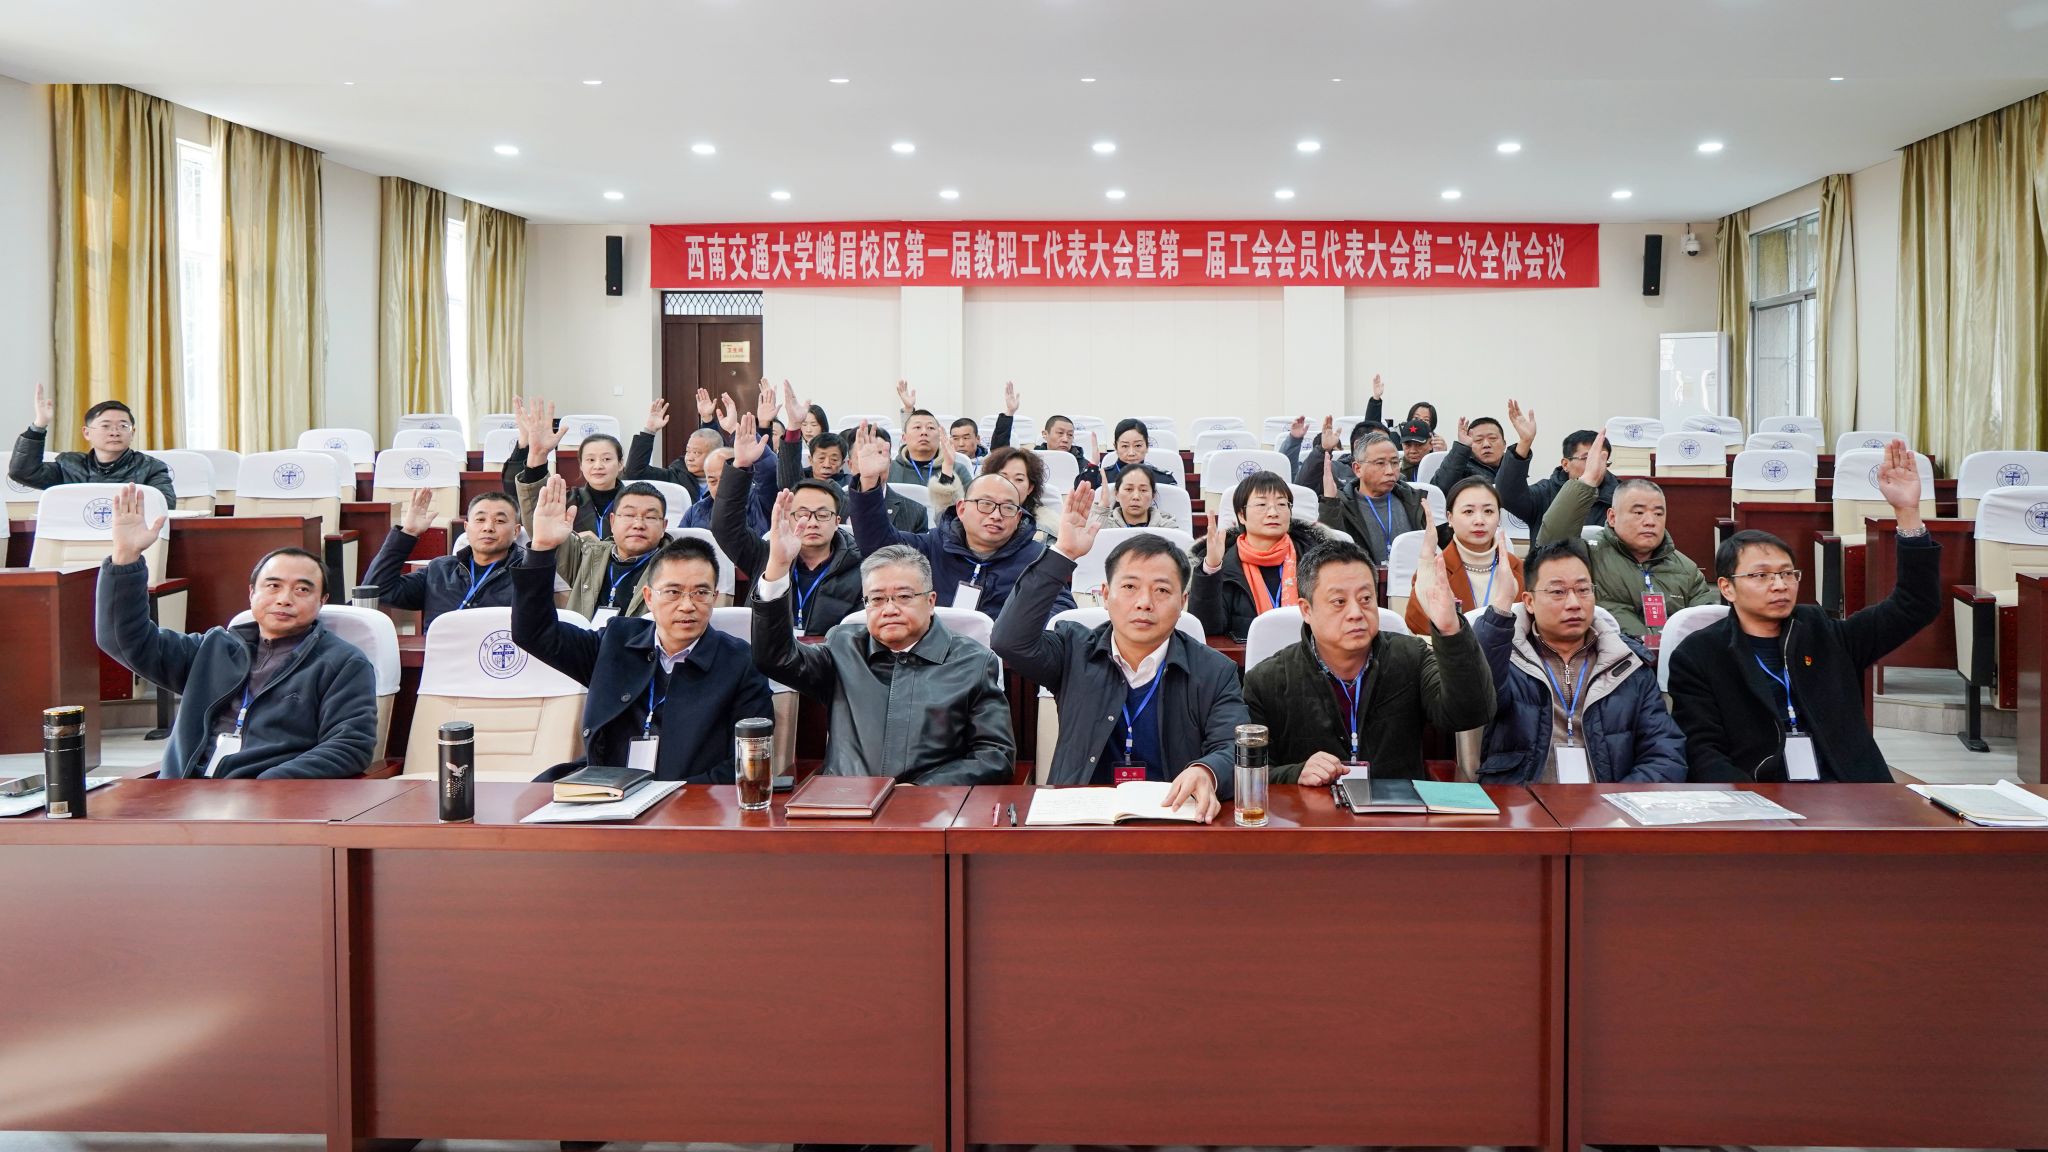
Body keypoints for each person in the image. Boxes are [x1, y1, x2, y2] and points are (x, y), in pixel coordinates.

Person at [1668, 440, 1940, 783]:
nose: (1779, 585)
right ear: (1726, 588)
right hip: (1761, 795)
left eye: (1787, 573)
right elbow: (1702, 752)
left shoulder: (1824, 633)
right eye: (1761, 576)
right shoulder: (1700, 655)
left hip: (1848, 792)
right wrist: (1753, 805)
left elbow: (1915, 604)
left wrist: (1908, 513)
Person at [992, 486, 1246, 821]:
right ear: (1105, 595)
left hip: (1172, 821)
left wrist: (1207, 771)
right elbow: (1009, 641)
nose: (1144, 602)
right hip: (1080, 823)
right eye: (1129, 587)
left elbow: (1234, 745)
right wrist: (1063, 553)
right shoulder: (1073, 650)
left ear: (1183, 602)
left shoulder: (1214, 670)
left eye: (1162, 590)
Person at [94, 485, 376, 778]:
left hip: (268, 797)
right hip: (183, 793)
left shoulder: (343, 664)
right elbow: (123, 640)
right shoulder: (212, 649)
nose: (285, 599)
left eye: (302, 590)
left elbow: (349, 746)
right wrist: (125, 557)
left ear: (322, 601)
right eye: (273, 586)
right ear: (252, 593)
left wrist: (267, 787)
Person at [512, 500, 772, 784]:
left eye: (700, 593)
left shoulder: (739, 662)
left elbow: (747, 761)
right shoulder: (616, 642)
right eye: (673, 592)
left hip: (689, 799)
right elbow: (534, 633)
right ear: (649, 597)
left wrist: (673, 796)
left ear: (714, 597)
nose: (687, 605)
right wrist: (541, 550)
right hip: (607, 793)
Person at [750, 533, 1013, 785]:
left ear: (931, 601)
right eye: (876, 599)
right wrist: (778, 568)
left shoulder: (973, 662)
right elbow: (776, 658)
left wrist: (923, 790)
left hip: (930, 805)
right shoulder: (843, 647)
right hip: (846, 803)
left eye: (904, 597)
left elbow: (995, 756)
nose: (889, 609)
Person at [1244, 537, 1493, 784]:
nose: (1356, 613)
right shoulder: (1267, 681)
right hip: (1312, 808)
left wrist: (1451, 631)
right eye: (1339, 602)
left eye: (1365, 599)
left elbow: (1470, 713)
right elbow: (1250, 774)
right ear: (1307, 610)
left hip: (1397, 807)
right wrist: (1295, 773)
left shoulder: (1411, 657)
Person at [1473, 537, 1688, 783]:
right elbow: (1475, 693)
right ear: (1529, 602)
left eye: (1583, 590)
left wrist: (1614, 801)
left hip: (1608, 802)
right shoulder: (1508, 658)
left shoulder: (1628, 663)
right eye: (1558, 592)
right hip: (1523, 801)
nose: (1574, 603)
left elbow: (1666, 754)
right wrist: (1501, 607)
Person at [846, 422, 1071, 619]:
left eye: (1007, 508)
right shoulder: (933, 546)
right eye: (985, 504)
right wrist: (869, 482)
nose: (996, 515)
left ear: (1019, 515)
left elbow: (1060, 610)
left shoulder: (1036, 559)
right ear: (962, 508)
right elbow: (877, 545)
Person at [1535, 431, 1715, 644]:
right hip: (1611, 657)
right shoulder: (1588, 556)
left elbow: (1708, 630)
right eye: (1638, 512)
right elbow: (1550, 543)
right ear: (1612, 517)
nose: (1650, 521)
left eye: (1658, 513)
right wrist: (1587, 481)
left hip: (1673, 659)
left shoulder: (1687, 570)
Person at [361, 489, 527, 631]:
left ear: (516, 531)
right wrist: (408, 533)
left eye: (499, 521)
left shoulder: (527, 575)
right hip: (440, 657)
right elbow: (379, 590)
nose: (488, 527)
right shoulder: (439, 570)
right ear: (466, 528)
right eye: (480, 519)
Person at [1191, 470, 1327, 640]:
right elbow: (1207, 629)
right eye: (1262, 505)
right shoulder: (1224, 563)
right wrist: (1211, 568)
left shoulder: (1317, 559)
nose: (1273, 512)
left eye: (1282, 504)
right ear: (1241, 515)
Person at [518, 474, 670, 620]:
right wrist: (535, 464)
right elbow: (545, 534)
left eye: (650, 517)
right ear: (612, 522)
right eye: (629, 515)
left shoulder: (674, 568)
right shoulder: (587, 555)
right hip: (581, 638)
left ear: (664, 526)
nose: (638, 525)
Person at [11, 387, 175, 505]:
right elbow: (23, 473)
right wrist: (39, 425)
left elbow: (165, 504)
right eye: (105, 426)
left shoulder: (151, 468)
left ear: (132, 433)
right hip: (77, 535)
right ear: (87, 432)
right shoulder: (68, 466)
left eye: (123, 426)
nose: (114, 432)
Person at [1407, 477, 1525, 634]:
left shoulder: (1518, 568)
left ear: (1499, 517)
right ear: (1450, 518)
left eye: (1488, 511)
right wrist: (1427, 559)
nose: (1479, 521)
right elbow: (1418, 626)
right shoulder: (1434, 570)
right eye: (1468, 512)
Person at [504, 396, 630, 538]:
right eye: (590, 459)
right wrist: (538, 454)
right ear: (581, 465)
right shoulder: (567, 500)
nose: (598, 466)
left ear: (620, 463)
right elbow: (536, 523)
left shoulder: (635, 500)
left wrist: (597, 546)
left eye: (606, 459)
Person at [1315, 428, 1427, 565]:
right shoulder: (1341, 505)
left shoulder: (1415, 500)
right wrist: (1330, 504)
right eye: (1380, 463)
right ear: (1358, 469)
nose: (1390, 471)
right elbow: (1329, 555)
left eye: (1394, 462)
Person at [1497, 399, 1612, 527]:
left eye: (1601, 459)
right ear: (1565, 464)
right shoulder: (1545, 494)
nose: (1594, 464)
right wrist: (1525, 442)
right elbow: (1508, 496)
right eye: (1587, 458)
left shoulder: (1619, 494)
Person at [988, 382, 1101, 488]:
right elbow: (999, 455)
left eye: (1070, 435)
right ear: (1045, 434)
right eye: (1060, 433)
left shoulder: (1082, 463)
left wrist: (1093, 467)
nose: (1065, 439)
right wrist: (1009, 413)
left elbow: (1089, 489)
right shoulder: (1031, 458)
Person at [677, 418, 776, 534]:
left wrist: (734, 429)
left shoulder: (760, 501)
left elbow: (770, 477)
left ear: (738, 476)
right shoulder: (695, 512)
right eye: (712, 481)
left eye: (725, 480)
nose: (720, 487)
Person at [624, 393, 727, 504]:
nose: (689, 458)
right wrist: (649, 431)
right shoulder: (675, 476)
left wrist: (708, 420)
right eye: (688, 451)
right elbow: (634, 473)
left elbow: (713, 442)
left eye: (696, 453)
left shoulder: (728, 477)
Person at [937, 446, 1056, 540]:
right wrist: (947, 468)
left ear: (1030, 488)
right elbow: (945, 523)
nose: (1010, 484)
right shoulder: (973, 510)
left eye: (1019, 479)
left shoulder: (1044, 530)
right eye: (1002, 477)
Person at [889, 384, 973, 486]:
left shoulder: (958, 469)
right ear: (904, 438)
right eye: (917, 427)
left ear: (939, 437)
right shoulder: (890, 469)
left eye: (930, 428)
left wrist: (947, 471)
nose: (924, 432)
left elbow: (971, 496)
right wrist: (908, 409)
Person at [1429, 415, 1508, 491]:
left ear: (1504, 444)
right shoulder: (1463, 466)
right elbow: (1439, 490)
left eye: (1492, 438)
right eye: (1478, 440)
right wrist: (1462, 446)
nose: (1486, 445)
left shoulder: (1512, 464)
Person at [1095, 463, 1181, 530]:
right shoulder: (1105, 525)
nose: (1136, 497)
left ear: (1153, 496)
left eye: (1143, 490)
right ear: (1116, 494)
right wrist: (1101, 509)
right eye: (1129, 489)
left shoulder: (1168, 528)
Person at [1100, 418, 1180, 489]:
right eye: (1125, 446)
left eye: (1138, 445)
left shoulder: (1164, 480)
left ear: (1147, 446)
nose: (1131, 453)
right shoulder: (1101, 478)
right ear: (1115, 447)